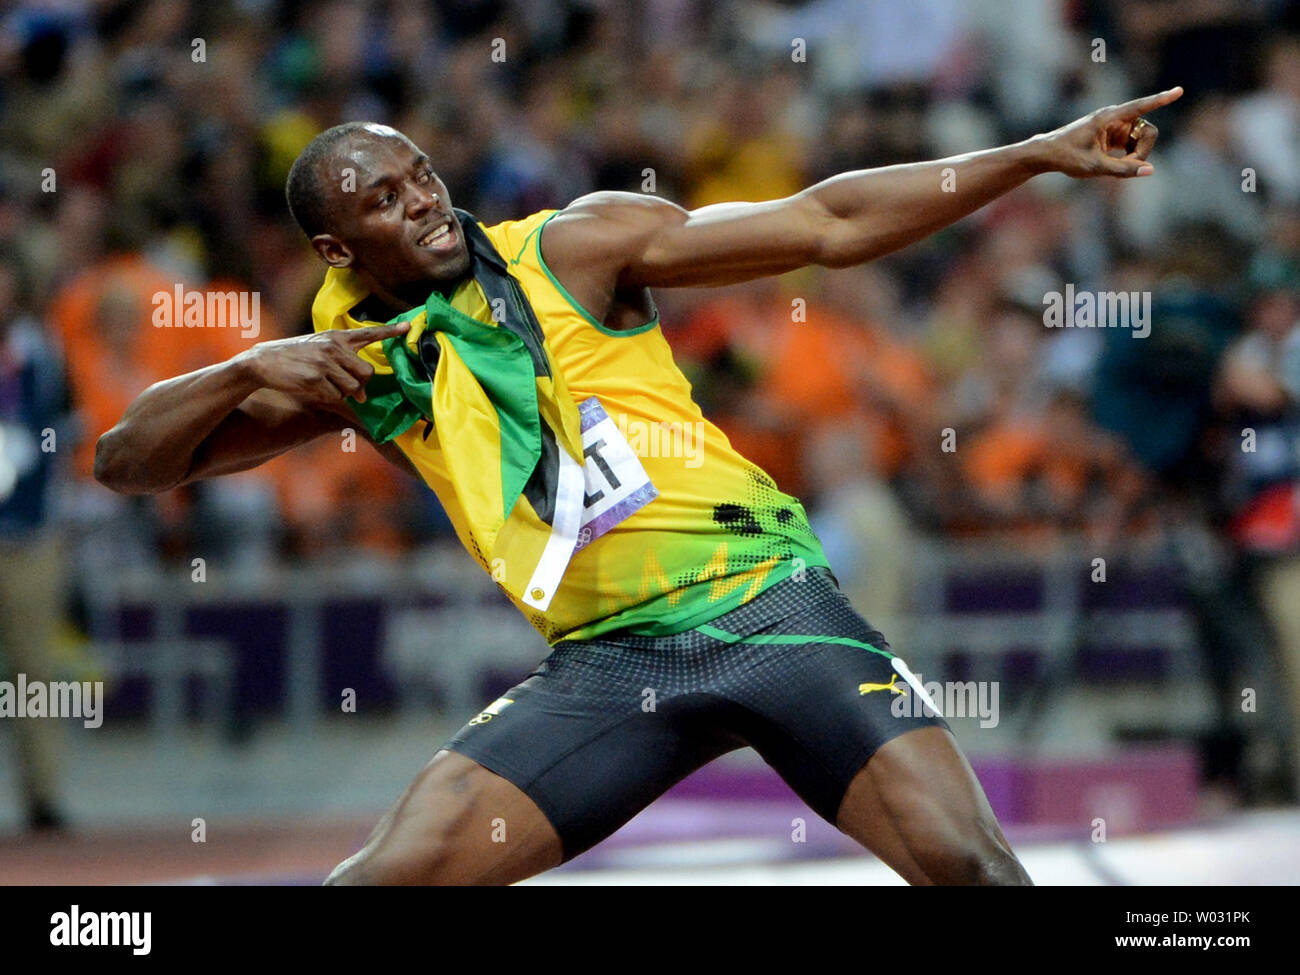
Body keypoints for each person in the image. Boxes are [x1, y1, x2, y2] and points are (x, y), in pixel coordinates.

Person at [94, 86, 1183, 885]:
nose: (423, 203)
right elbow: (129, 463)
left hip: (772, 609)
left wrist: (1035, 155)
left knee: (972, 869)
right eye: (384, 200)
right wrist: (241, 364)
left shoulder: (576, 246)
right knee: (391, 875)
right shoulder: (357, 368)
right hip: (609, 666)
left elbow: (824, 222)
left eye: (422, 174)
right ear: (338, 245)